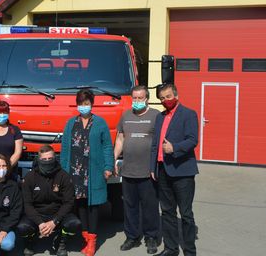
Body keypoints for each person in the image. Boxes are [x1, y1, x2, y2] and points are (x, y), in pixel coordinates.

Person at [60, 89, 114, 256]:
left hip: (94, 170)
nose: (84, 107)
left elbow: (107, 146)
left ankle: (92, 241)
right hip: (75, 171)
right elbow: (64, 148)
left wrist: (108, 167)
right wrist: (63, 171)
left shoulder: (100, 123)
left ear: (92, 104)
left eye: (87, 103)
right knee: (81, 204)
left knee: (93, 206)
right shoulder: (70, 123)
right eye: (81, 104)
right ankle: (85, 237)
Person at [150, 83, 199, 256]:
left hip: (182, 172)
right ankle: (170, 249)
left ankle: (189, 251)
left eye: (168, 96)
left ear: (176, 95)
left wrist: (175, 148)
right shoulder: (160, 117)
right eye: (162, 98)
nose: (165, 100)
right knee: (167, 212)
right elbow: (155, 144)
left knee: (185, 214)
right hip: (163, 171)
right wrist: (152, 167)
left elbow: (193, 140)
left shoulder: (189, 114)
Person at [114, 85, 160, 254]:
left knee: (150, 207)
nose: (137, 101)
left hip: (149, 172)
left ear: (147, 98)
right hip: (128, 171)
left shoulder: (156, 116)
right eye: (135, 98)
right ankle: (132, 237)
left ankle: (151, 237)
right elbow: (120, 139)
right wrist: (113, 158)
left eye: (140, 98)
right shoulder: (126, 115)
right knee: (130, 206)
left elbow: (161, 142)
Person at [17, 145, 81, 256]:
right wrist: (40, 223)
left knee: (74, 223)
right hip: (37, 214)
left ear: (55, 159)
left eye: (50, 159)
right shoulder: (30, 177)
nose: (47, 162)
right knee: (22, 227)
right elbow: (27, 204)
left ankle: (61, 242)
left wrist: (54, 221)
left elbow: (69, 202)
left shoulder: (63, 176)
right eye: (44, 159)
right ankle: (30, 241)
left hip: (57, 213)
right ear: (38, 160)